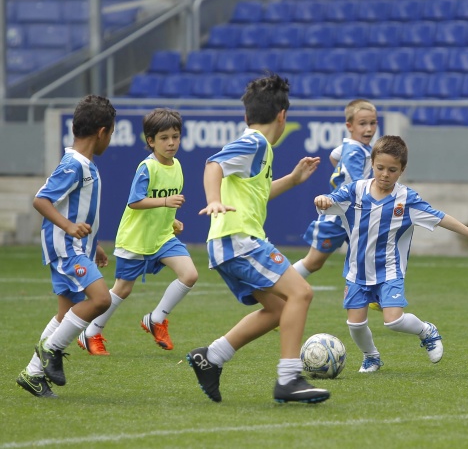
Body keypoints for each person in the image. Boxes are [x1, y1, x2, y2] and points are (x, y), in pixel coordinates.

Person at [186, 74, 330, 404]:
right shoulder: (255, 143)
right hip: (238, 239)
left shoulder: (258, 150)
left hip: (230, 243)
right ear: (282, 116)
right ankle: (289, 379)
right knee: (302, 292)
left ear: (246, 115)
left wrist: (293, 180)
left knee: (281, 308)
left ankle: (212, 357)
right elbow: (213, 165)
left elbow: (259, 193)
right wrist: (213, 199)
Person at [314, 135, 468, 373]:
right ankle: (371, 357)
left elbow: (439, 217)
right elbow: (331, 199)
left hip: (389, 270)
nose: (385, 174)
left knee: (394, 320)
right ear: (373, 163)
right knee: (355, 325)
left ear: (402, 170)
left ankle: (426, 331)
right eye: (380, 168)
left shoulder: (406, 199)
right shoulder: (355, 191)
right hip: (357, 271)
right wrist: (323, 199)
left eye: (392, 170)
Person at [16, 95, 116, 398]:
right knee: (101, 300)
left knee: (66, 313)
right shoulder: (74, 165)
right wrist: (70, 228)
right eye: (110, 133)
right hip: (66, 248)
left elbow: (82, 211)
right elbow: (41, 199)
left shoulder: (85, 164)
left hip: (78, 247)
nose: (109, 140)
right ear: (101, 132)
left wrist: (93, 244)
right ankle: (51, 349)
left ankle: (32, 373)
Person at [75, 108, 198, 355]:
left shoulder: (177, 165)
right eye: (164, 138)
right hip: (136, 239)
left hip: (162, 237)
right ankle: (90, 332)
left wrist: (172, 221)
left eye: (175, 136)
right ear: (150, 141)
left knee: (190, 275)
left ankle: (156, 319)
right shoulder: (147, 167)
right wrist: (166, 203)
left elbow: (164, 200)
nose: (171, 142)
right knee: (123, 289)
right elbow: (135, 201)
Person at [293, 99, 377, 280]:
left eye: (372, 123)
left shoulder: (351, 146)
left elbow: (334, 156)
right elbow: (356, 182)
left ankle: (380, 298)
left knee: (369, 255)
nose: (369, 129)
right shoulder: (355, 152)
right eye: (362, 124)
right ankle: (279, 285)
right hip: (339, 215)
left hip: (352, 213)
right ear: (350, 126)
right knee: (313, 262)